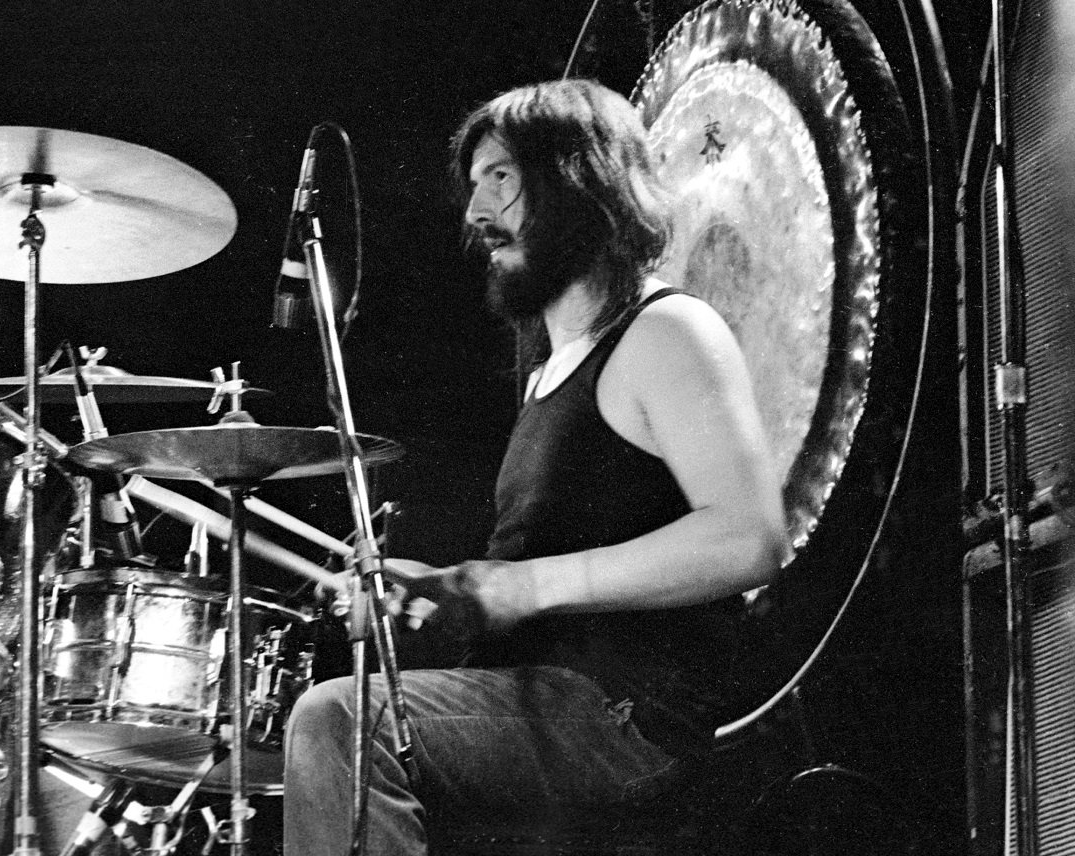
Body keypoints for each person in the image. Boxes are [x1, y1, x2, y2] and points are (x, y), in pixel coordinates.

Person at [281, 79, 787, 855]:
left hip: (624, 713)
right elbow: (535, 574)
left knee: (341, 720)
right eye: (474, 185)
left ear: (579, 180)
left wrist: (515, 587)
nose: (475, 214)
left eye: (502, 179)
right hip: (547, 700)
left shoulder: (665, 331)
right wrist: (439, 592)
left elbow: (747, 540)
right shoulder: (546, 374)